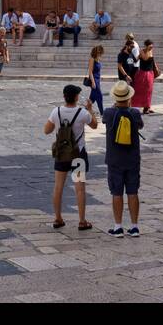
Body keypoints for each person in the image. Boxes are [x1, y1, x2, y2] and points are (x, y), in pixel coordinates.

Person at [43, 83, 99, 230]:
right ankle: (82, 220)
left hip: (61, 154)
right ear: (76, 97)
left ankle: (58, 218)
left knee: (58, 187)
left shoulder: (56, 112)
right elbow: (95, 126)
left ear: (64, 97)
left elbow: (46, 131)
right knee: (80, 188)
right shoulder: (82, 113)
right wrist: (90, 109)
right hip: (78, 154)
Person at [102, 80, 143, 236]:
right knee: (133, 192)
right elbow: (140, 126)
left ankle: (118, 226)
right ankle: (134, 226)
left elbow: (105, 120)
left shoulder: (109, 113)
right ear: (129, 97)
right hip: (132, 159)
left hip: (114, 159)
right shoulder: (135, 113)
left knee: (116, 193)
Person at [132, 39, 159, 114]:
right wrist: (146, 51)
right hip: (143, 73)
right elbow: (145, 58)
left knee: (149, 91)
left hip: (150, 73)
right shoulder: (142, 51)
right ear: (146, 45)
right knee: (142, 90)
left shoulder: (150, 51)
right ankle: (143, 106)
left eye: (152, 46)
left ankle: (147, 106)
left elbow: (152, 60)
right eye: (150, 46)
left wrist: (156, 67)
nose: (151, 47)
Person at [85, 43, 105, 116]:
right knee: (99, 96)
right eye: (100, 52)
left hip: (98, 80)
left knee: (92, 98)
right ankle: (102, 113)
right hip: (94, 81)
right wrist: (93, 82)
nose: (101, 54)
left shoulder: (98, 59)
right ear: (97, 52)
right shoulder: (92, 59)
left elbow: (98, 71)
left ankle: (85, 110)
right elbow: (90, 72)